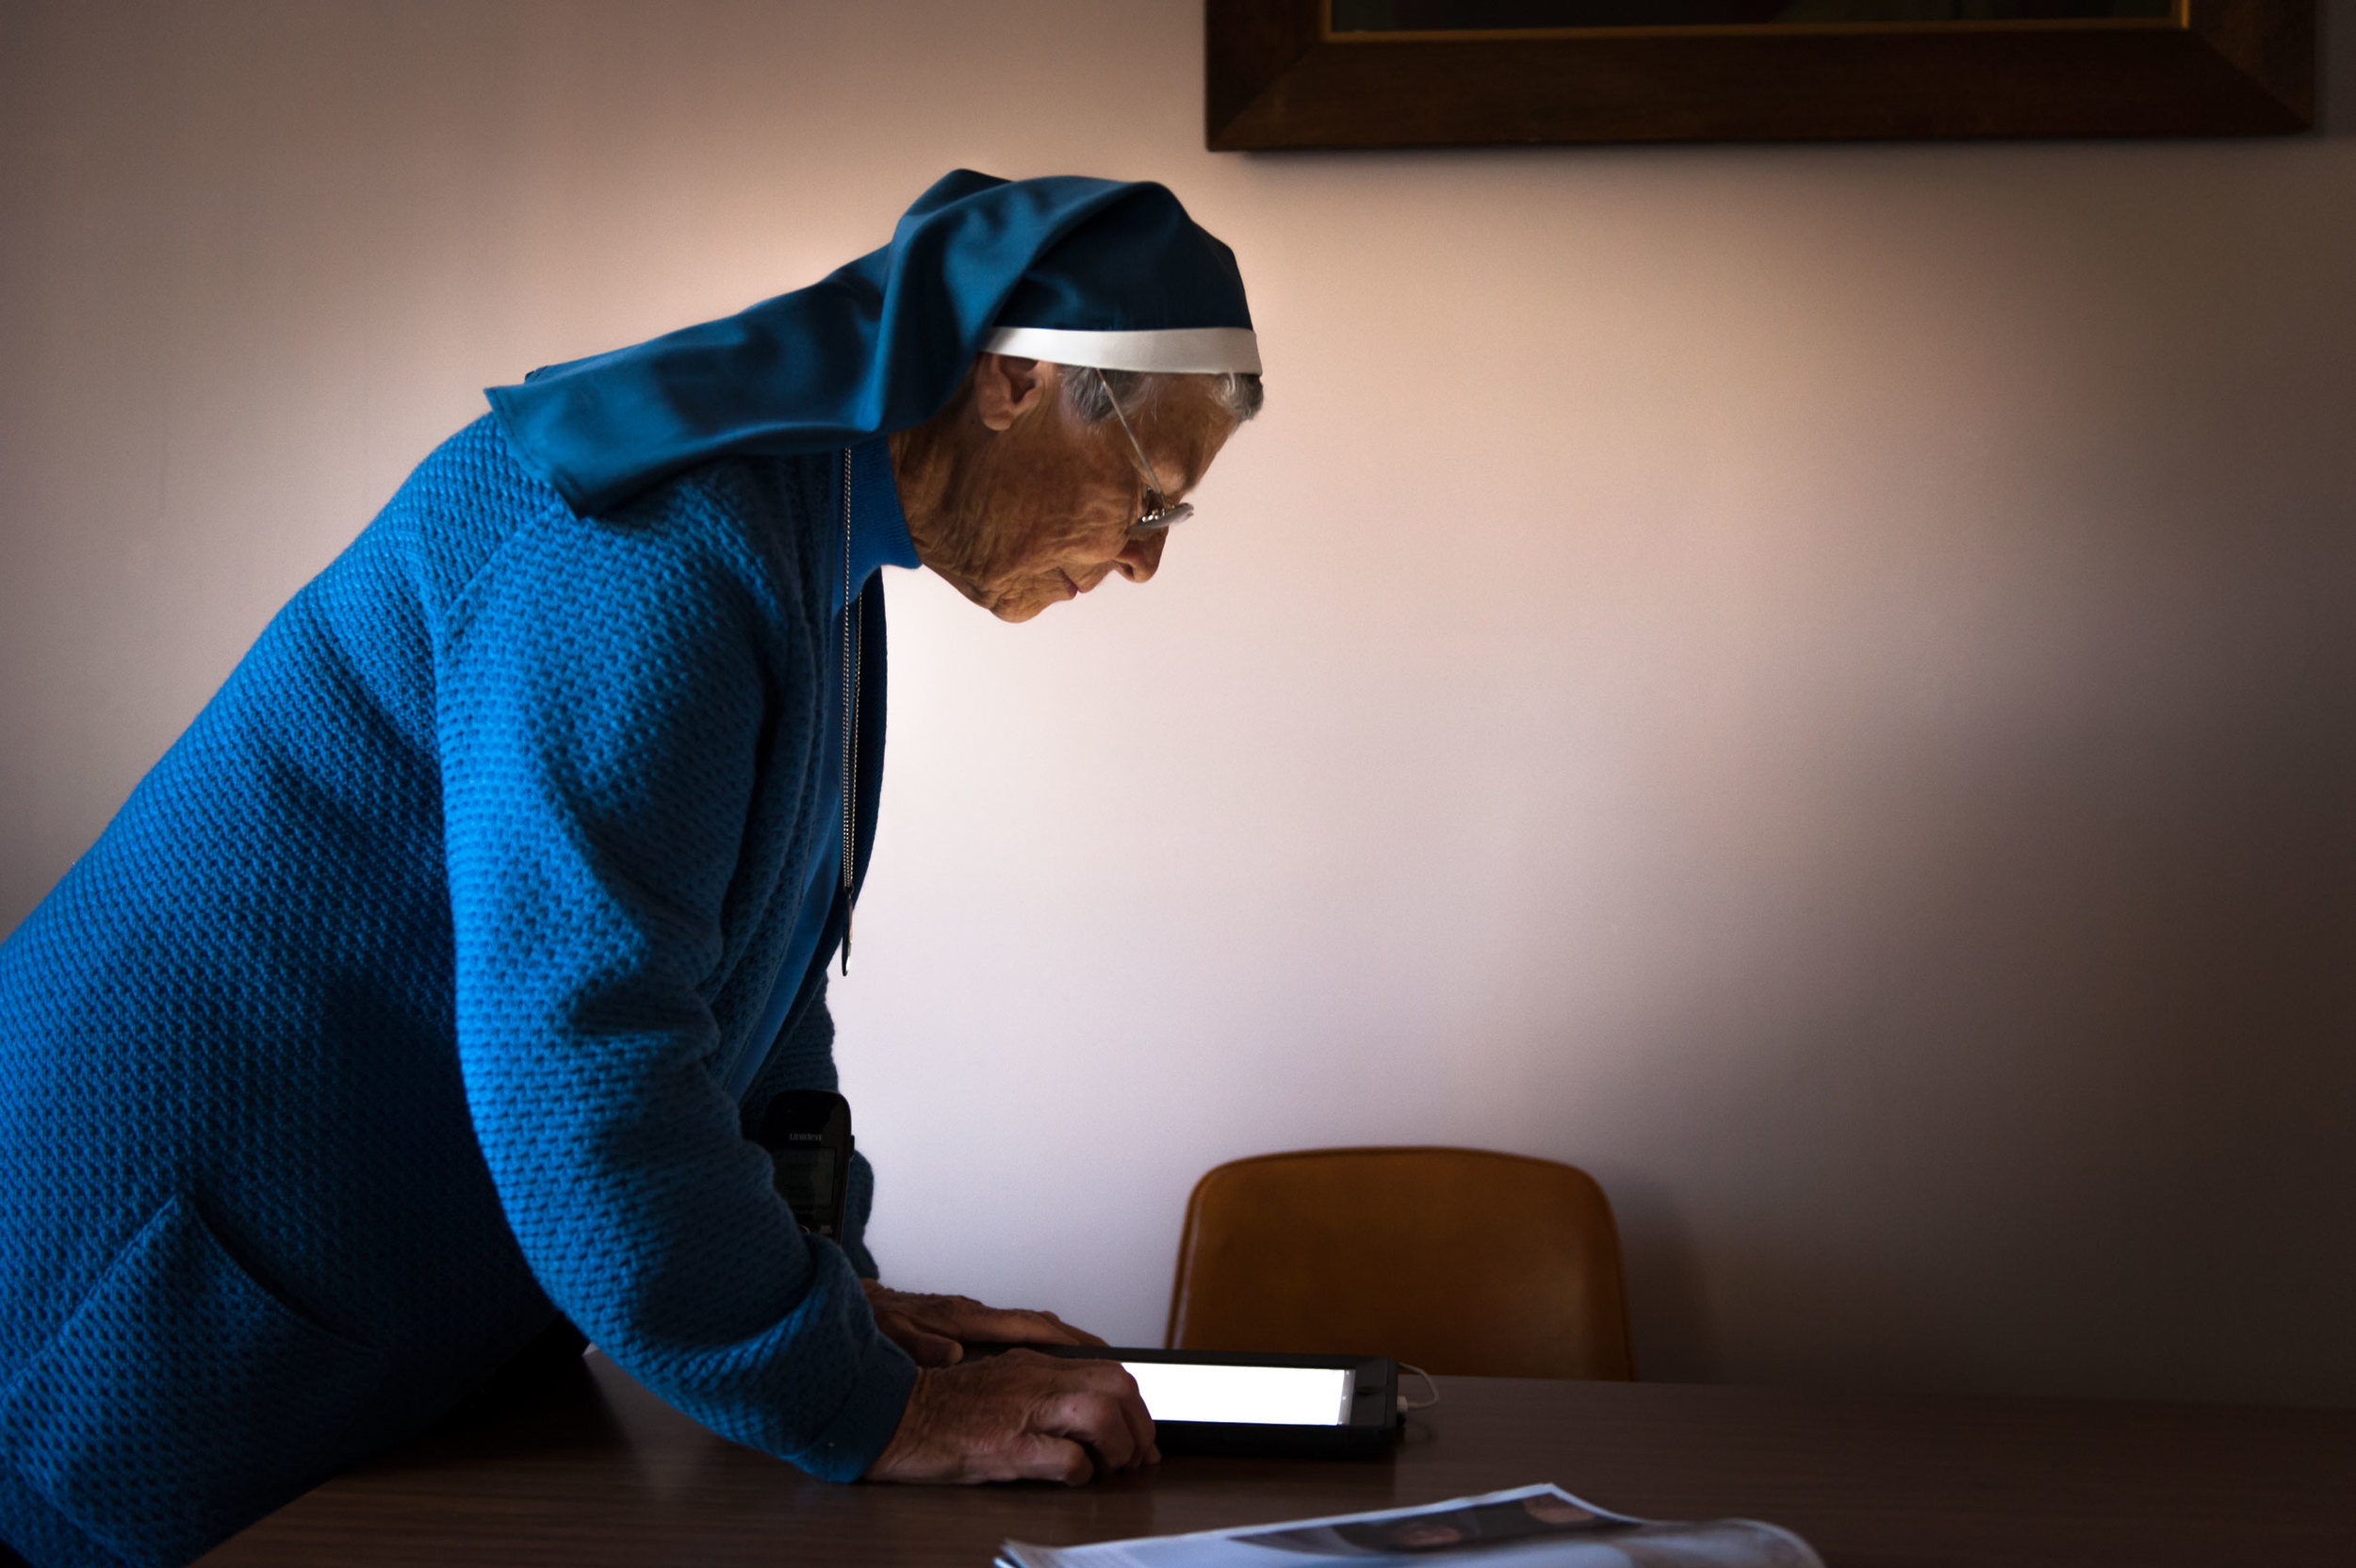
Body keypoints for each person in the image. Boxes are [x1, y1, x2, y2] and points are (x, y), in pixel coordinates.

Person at [0, 171, 1263, 1568]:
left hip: (340, 1315)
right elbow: (586, 1060)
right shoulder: (651, 543)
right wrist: (859, 1402)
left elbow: (760, 1004)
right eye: (1155, 494)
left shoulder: (814, 547)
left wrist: (824, 1299)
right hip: (135, 1292)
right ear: (1016, 380)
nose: (1145, 559)